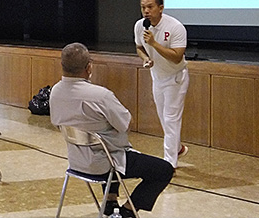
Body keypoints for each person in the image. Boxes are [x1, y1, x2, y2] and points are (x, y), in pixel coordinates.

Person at [50, 43, 173, 218]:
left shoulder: (55, 92)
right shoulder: (100, 95)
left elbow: (56, 122)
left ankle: (110, 200)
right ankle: (128, 212)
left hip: (77, 161)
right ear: (89, 67)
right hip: (105, 163)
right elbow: (125, 123)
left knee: (106, 143)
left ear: (62, 66)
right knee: (163, 169)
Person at [134, 0, 190, 168]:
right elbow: (139, 47)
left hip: (176, 78)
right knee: (163, 118)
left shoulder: (175, 27)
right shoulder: (139, 26)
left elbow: (177, 56)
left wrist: (154, 44)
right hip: (157, 76)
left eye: (150, 7)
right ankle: (178, 148)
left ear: (161, 8)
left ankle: (169, 164)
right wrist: (146, 59)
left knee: (171, 118)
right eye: (143, 8)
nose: (146, 11)